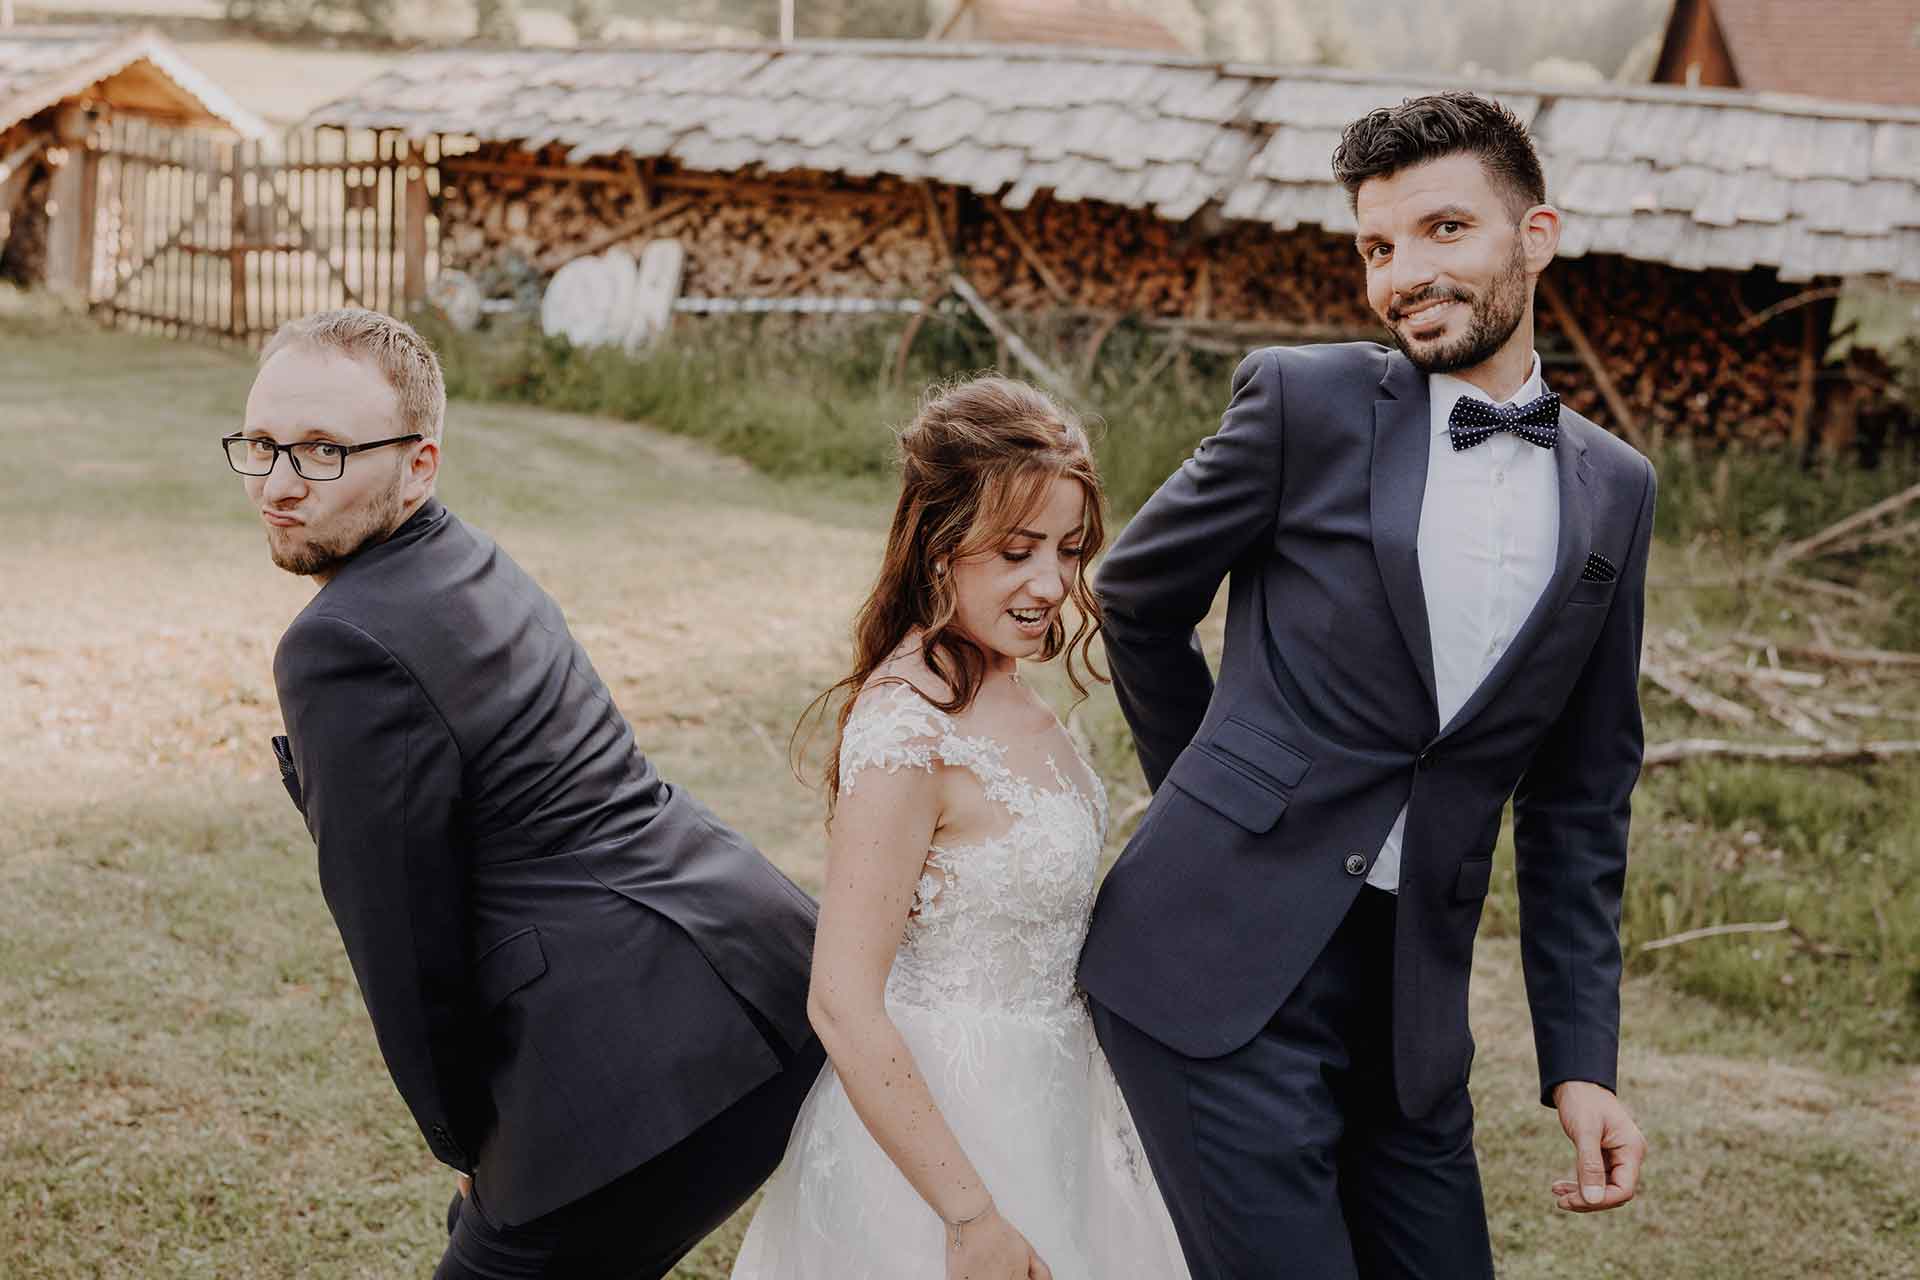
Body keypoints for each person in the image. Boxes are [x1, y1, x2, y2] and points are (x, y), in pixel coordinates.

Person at [1078, 92, 1653, 1279]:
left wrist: (1581, 1060)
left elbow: (1583, 795)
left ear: (1534, 235)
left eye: (1445, 230)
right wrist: (1215, 794)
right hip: (1212, 963)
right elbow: (1136, 594)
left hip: (1412, 1013)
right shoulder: (1306, 402)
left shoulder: (1618, 487)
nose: (1402, 275)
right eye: (1378, 247)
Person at [233, 308, 823, 1279]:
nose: (279, 482)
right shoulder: (459, 556)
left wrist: (469, 1142)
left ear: (421, 464)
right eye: (261, 444)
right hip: (760, 972)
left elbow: (404, 943)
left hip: (646, 1069)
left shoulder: (339, 642)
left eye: (325, 451)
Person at [730, 376, 1188, 1280]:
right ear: (940, 545)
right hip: (946, 1137)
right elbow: (841, 1000)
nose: (1052, 583)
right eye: (1016, 550)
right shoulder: (909, 731)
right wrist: (970, 1216)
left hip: (1062, 1099)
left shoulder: (1000, 678)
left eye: (1068, 548)